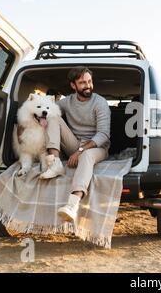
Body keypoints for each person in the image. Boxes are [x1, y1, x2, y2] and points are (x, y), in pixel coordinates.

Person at [40, 66, 111, 223]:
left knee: (86, 156)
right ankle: (55, 163)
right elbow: (46, 110)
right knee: (53, 116)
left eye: (90, 81)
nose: (88, 86)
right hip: (74, 144)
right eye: (83, 82)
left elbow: (104, 135)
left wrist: (79, 151)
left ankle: (72, 205)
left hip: (97, 148)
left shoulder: (100, 103)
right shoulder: (67, 102)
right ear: (73, 85)